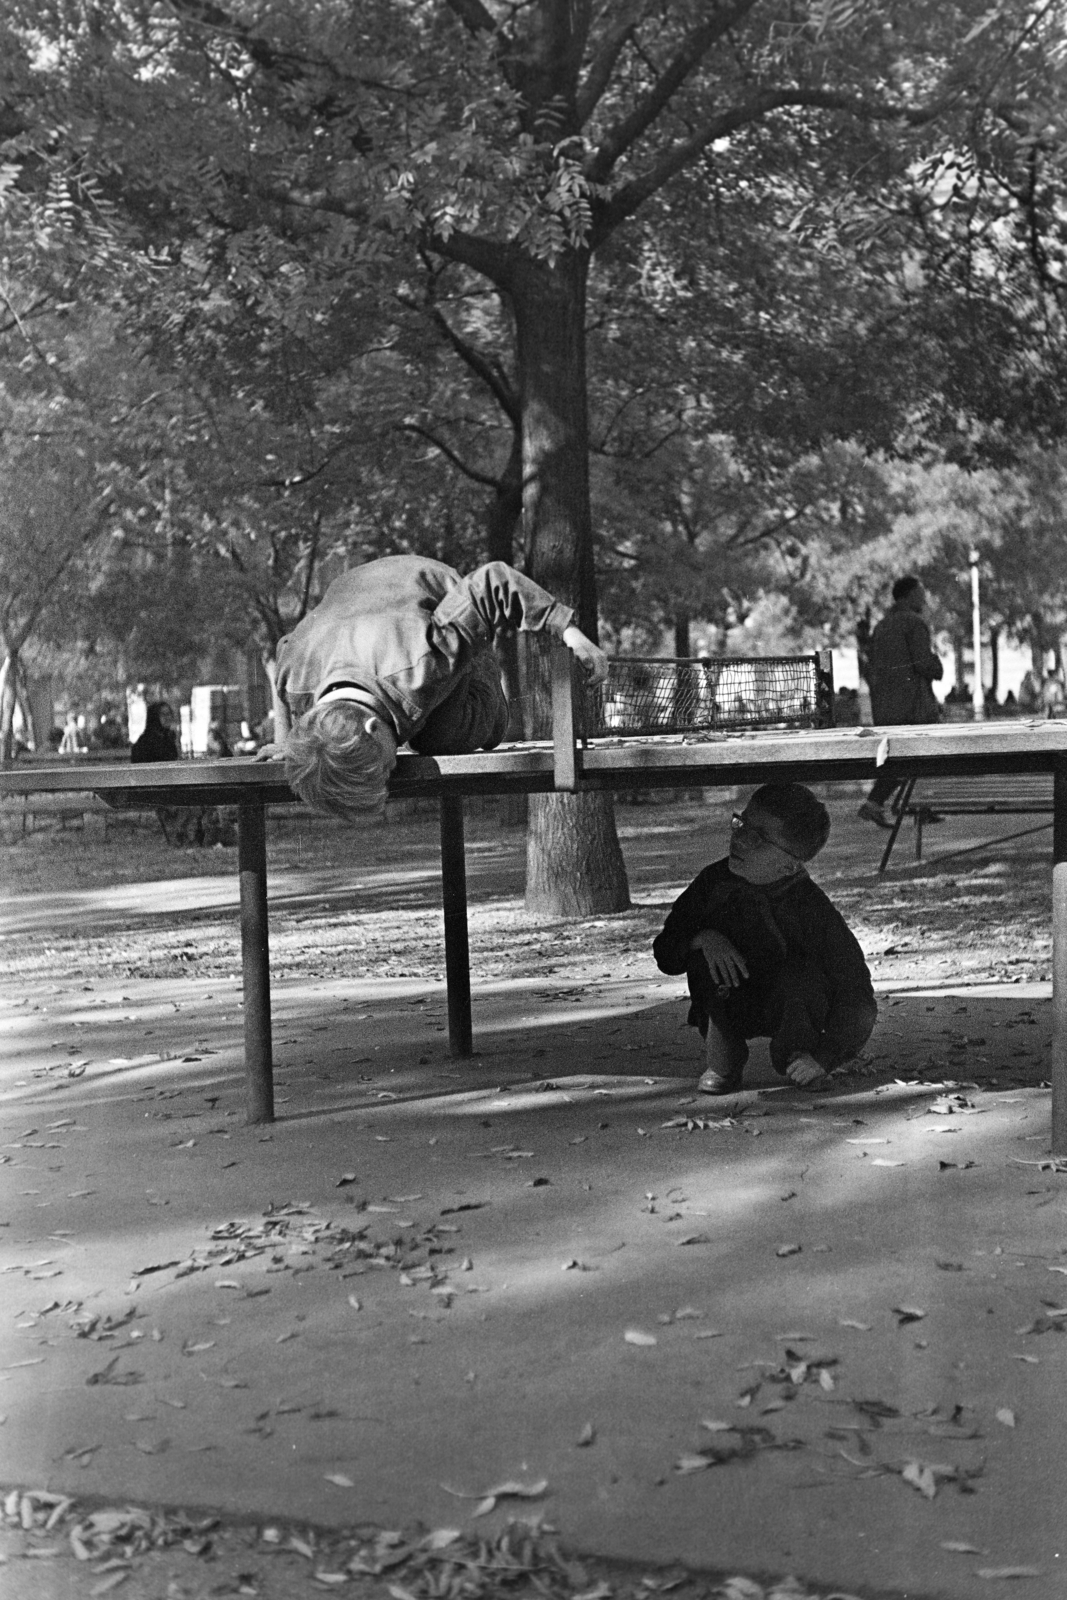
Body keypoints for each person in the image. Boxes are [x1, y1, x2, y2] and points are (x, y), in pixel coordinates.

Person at [269, 555, 608, 819]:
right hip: (361, 589)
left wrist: (568, 631)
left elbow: (492, 581)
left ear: (373, 728)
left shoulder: (424, 661)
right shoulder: (294, 679)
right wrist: (300, 744)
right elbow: (285, 648)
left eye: (388, 765)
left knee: (442, 737)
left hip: (435, 590)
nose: (394, 767)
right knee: (422, 731)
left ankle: (480, 673)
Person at [653, 783, 876, 1096]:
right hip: (729, 998)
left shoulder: (811, 908)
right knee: (706, 956)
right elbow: (666, 951)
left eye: (756, 836)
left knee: (804, 971)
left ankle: (797, 1054)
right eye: (740, 823)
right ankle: (724, 1057)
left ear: (788, 864)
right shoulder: (712, 884)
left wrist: (825, 1058)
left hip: (792, 1008)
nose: (739, 839)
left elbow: (857, 993)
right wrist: (701, 938)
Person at [858, 576, 944, 828]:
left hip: (886, 705)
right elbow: (923, 663)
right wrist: (937, 666)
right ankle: (917, 808)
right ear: (907, 596)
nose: (924, 599)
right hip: (913, 705)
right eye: (920, 594)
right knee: (921, 757)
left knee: (899, 759)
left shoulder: (882, 626)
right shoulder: (914, 623)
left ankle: (875, 804)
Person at [131, 700, 201, 846]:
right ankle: (182, 838)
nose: (168, 717)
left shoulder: (168, 738)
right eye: (164, 714)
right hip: (153, 789)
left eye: (170, 714)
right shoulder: (145, 742)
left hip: (171, 786)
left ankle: (188, 838)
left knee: (198, 798)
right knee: (188, 802)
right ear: (155, 717)